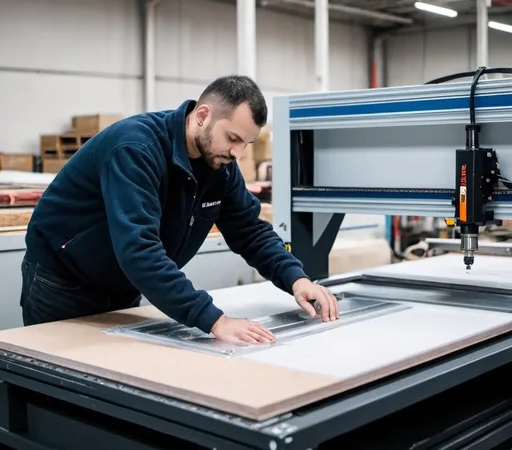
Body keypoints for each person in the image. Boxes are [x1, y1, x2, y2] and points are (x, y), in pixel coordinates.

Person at [21, 75, 339, 344]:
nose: (238, 153)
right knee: (58, 384)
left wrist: (297, 279)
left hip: (122, 282)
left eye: (246, 144)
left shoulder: (220, 166)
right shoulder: (136, 149)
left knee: (115, 375)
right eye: (232, 138)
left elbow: (250, 231)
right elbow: (140, 250)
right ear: (202, 115)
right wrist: (214, 320)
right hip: (63, 280)